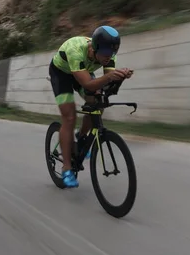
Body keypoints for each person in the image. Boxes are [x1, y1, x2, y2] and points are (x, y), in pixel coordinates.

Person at [48, 25, 133, 188]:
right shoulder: (76, 50)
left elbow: (107, 86)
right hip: (61, 74)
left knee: (98, 102)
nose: (109, 58)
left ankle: (81, 137)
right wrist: (110, 76)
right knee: (69, 116)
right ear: (95, 48)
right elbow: (88, 84)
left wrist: (120, 77)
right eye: (106, 54)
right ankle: (66, 168)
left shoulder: (109, 56)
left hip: (82, 71)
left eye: (113, 53)